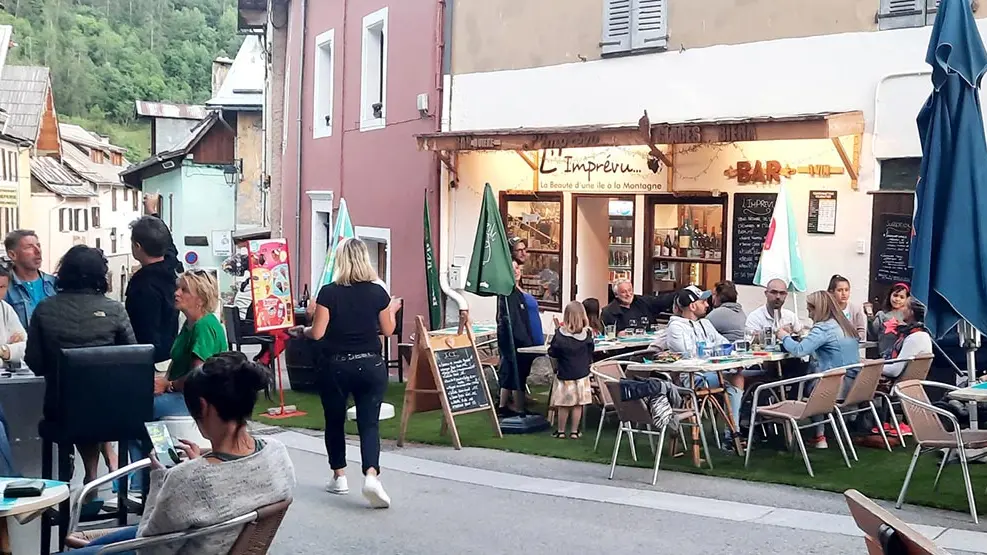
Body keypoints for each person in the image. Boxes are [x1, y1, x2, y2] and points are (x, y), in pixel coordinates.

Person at [65, 352, 296, 555]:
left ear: (203, 407)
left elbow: (148, 550)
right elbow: (233, 485)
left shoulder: (187, 479)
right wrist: (202, 463)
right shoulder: (277, 453)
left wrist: (159, 478)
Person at [289, 238, 400, 508]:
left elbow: (318, 333)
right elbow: (387, 331)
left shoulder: (329, 292)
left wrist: (302, 330)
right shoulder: (378, 293)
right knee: (369, 423)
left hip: (336, 365)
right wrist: (392, 310)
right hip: (371, 363)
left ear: (340, 261)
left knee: (335, 419)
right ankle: (371, 474)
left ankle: (339, 476)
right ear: (365, 260)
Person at [25, 246, 135, 487]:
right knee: (95, 404)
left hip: (62, 411)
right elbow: (131, 360)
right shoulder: (115, 310)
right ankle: (102, 470)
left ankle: (79, 483)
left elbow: (34, 362)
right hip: (113, 414)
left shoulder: (44, 310)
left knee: (78, 406)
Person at [776, 290, 860, 449]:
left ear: (818, 309)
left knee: (800, 379)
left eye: (810, 309)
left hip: (832, 387)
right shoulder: (845, 325)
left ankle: (816, 435)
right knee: (812, 375)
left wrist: (783, 336)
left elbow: (800, 350)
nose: (808, 313)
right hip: (853, 385)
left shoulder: (823, 328)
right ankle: (820, 435)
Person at [666, 286, 743, 444]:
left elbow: (725, 345)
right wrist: (715, 350)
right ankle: (732, 435)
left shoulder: (705, 324)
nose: (708, 305)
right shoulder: (676, 327)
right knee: (737, 378)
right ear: (693, 306)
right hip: (693, 378)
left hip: (713, 372)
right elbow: (690, 354)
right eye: (703, 302)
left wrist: (715, 351)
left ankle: (738, 430)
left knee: (746, 376)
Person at [159, 270, 228, 418]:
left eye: (184, 290)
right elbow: (177, 362)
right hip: (183, 395)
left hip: (197, 401)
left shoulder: (204, 326)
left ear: (201, 299)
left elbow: (198, 376)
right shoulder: (190, 323)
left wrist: (168, 385)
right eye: (178, 288)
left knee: (136, 410)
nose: (176, 293)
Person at [126, 216, 180, 371]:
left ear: (137, 246)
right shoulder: (170, 268)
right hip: (169, 355)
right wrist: (153, 214)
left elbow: (144, 331)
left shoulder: (142, 285)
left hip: (152, 363)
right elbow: (170, 247)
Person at [496, 261, 539, 417]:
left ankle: (507, 406)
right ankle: (515, 408)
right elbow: (513, 321)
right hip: (516, 342)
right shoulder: (507, 294)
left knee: (516, 373)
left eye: (518, 268)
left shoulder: (517, 292)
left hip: (524, 340)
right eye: (512, 268)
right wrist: (524, 342)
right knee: (514, 373)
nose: (517, 271)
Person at [548, 301, 594, 439]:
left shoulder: (560, 335)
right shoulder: (587, 334)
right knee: (578, 404)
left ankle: (561, 431)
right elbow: (591, 351)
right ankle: (574, 431)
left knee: (564, 404)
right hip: (582, 374)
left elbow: (553, 352)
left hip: (565, 373)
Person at [0, 263, 25, 475]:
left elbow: (24, 345)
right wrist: (10, 348)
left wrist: (4, 350)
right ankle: (12, 481)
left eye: (2, 287)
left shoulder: (5, 309)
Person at [3, 230, 56, 328]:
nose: (38, 251)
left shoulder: (54, 284)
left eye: (38, 245)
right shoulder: (5, 288)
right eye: (29, 247)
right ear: (12, 255)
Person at [601, 279, 675, 334]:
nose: (628, 294)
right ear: (616, 294)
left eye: (630, 290)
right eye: (624, 292)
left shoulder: (643, 302)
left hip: (649, 346)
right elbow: (607, 333)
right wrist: (618, 333)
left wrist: (683, 293)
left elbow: (663, 301)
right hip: (625, 350)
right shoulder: (609, 312)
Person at [870, 283, 910, 356]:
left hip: (903, 355)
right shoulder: (881, 315)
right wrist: (870, 318)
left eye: (902, 297)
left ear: (907, 300)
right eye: (895, 295)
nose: (897, 299)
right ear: (890, 295)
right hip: (885, 355)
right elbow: (873, 332)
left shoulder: (908, 316)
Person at [828, 274, 867, 341]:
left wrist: (854, 339)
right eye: (840, 290)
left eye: (846, 290)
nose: (844, 293)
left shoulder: (855, 309)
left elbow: (861, 331)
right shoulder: (827, 310)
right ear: (832, 292)